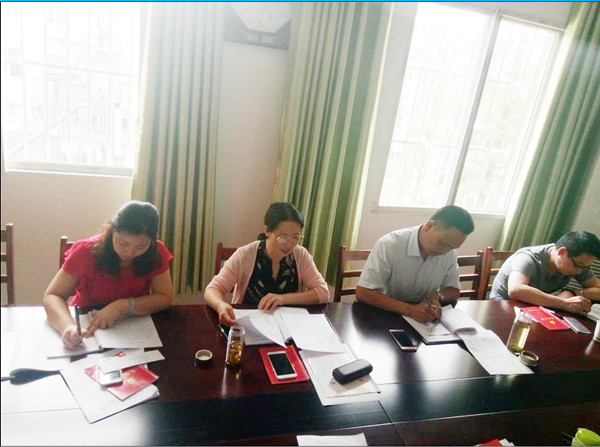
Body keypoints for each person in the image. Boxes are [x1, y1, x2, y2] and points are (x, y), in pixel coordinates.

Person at [43, 201, 173, 349]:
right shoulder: (86, 251)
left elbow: (165, 297)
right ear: (112, 230)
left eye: (141, 247)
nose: (130, 252)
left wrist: (121, 306)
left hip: (131, 322)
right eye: (123, 244)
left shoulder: (156, 252)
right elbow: (53, 295)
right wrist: (67, 327)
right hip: (87, 320)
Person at [205, 202, 330, 326]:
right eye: (283, 237)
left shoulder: (300, 255)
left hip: (288, 326)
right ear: (267, 231)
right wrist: (220, 305)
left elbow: (323, 292)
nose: (289, 243)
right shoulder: (245, 255)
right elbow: (213, 289)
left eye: (295, 237)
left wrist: (283, 298)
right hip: (249, 325)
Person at [356, 205, 474, 323]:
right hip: (385, 316)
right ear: (429, 226)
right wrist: (409, 310)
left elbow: (454, 290)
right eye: (442, 244)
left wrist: (436, 296)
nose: (444, 253)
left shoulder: (449, 252)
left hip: (423, 321)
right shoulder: (390, 245)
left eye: (452, 248)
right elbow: (363, 292)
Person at [490, 231, 600, 313]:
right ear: (562, 252)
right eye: (578, 265)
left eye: (585, 267)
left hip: (536, 308)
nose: (580, 271)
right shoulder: (527, 258)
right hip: (503, 308)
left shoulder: (578, 264)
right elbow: (516, 290)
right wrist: (563, 303)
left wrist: (572, 292)